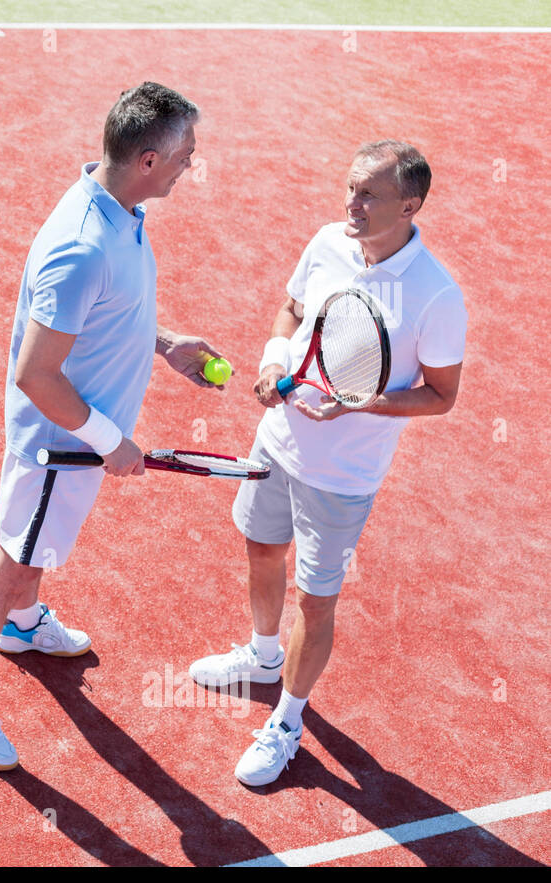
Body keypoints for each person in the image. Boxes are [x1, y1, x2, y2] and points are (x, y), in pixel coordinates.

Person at [0, 81, 225, 771]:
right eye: (186, 151)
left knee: (34, 555)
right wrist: (109, 442)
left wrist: (164, 343)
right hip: (60, 449)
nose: (194, 162)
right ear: (150, 159)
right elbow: (38, 375)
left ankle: (24, 625)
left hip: (81, 443)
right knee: (9, 566)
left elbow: (108, 312)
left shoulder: (117, 209)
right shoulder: (83, 245)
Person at [188, 140, 467, 786]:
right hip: (278, 442)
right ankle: (261, 658)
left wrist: (365, 405)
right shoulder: (327, 243)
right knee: (261, 547)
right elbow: (291, 311)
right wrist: (272, 362)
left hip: (342, 479)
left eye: (369, 194)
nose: (352, 203)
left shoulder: (436, 296)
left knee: (315, 604)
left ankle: (287, 720)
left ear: (410, 204)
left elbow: (442, 395)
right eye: (350, 188)